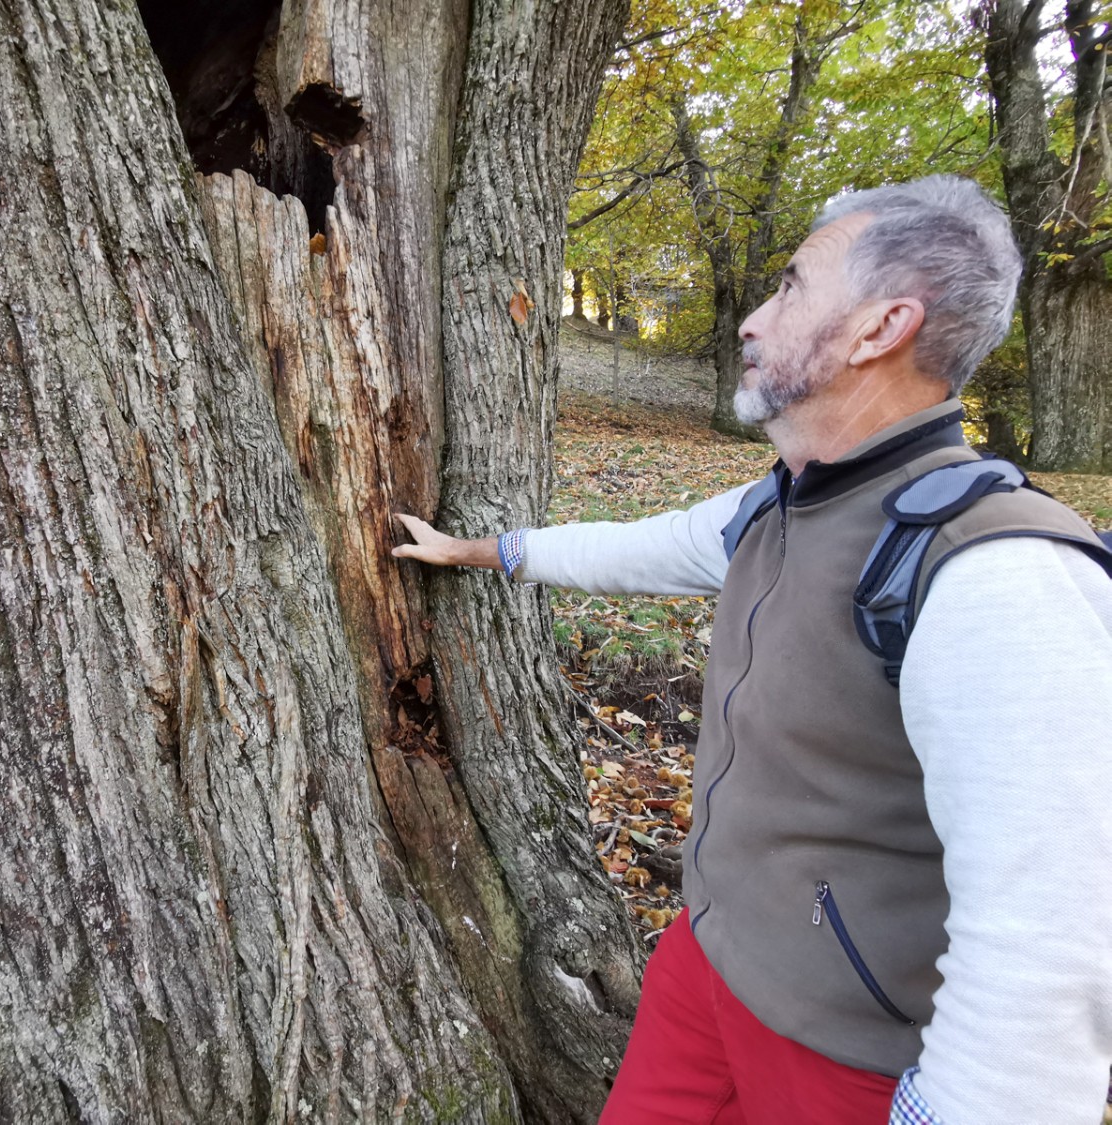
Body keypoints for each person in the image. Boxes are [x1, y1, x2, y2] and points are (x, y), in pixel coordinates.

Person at [392, 175, 1112, 1124]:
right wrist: (477, 552)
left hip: (850, 1055)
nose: (752, 318)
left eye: (790, 286)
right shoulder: (783, 501)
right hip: (705, 964)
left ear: (878, 328)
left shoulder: (998, 571)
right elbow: (641, 547)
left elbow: (1055, 941)